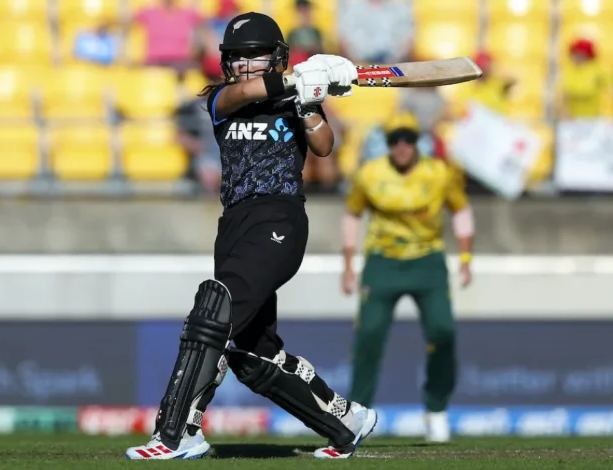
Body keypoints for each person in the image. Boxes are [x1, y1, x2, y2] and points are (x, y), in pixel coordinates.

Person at [125, 12, 377, 461]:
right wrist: (299, 80)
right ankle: (346, 421)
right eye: (237, 57)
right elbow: (245, 92)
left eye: (255, 56)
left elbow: (324, 148)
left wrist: (309, 102)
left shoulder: (292, 102)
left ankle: (178, 431)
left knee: (214, 311)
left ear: (274, 57)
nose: (245, 64)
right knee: (253, 352)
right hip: (235, 225)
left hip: (279, 221)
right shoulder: (222, 99)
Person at [340, 114, 475, 443]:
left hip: (428, 260)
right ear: (387, 143)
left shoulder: (439, 173)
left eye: (408, 138)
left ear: (418, 141)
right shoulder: (370, 174)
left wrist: (466, 257)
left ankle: (437, 409)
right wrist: (348, 264)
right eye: (395, 139)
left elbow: (460, 208)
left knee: (443, 331)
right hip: (383, 261)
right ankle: (358, 414)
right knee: (369, 336)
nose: (402, 146)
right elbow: (352, 214)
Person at [558, 38, 608, 119]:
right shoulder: (567, 70)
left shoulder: (597, 70)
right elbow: (563, 95)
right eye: (576, 54)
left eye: (582, 54)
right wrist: (564, 111)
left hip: (594, 118)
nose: (578, 57)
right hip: (571, 118)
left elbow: (609, 90)